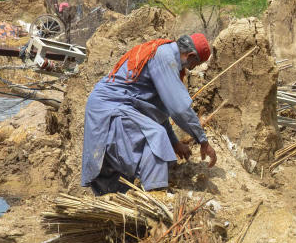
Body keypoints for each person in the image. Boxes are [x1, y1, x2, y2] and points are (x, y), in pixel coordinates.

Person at [81, 33, 217, 195]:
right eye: (192, 65)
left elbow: (154, 111)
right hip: (112, 108)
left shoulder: (163, 54)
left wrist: (174, 142)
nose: (189, 69)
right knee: (156, 140)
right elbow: (179, 108)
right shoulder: (165, 57)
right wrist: (203, 140)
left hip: (114, 108)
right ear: (191, 55)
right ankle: (157, 196)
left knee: (121, 184)